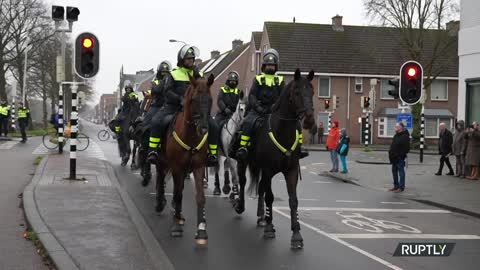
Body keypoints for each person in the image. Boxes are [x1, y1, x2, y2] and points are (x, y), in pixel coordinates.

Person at [147, 45, 219, 167]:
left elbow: (204, 89)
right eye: (188, 59)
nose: (191, 61)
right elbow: (167, 91)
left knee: (214, 126)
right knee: (156, 121)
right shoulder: (173, 74)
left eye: (192, 59)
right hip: (173, 107)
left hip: (193, 110)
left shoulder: (199, 74)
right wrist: (180, 99)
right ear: (181, 60)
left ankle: (212, 154)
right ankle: (153, 151)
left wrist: (197, 74)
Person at [235, 48, 308, 160]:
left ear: (276, 66)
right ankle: (243, 147)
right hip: (258, 111)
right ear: (264, 66)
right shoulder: (258, 79)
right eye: (268, 65)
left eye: (272, 65)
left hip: (275, 110)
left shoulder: (280, 80)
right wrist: (258, 107)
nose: (270, 67)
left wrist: (276, 107)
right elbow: (252, 96)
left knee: (296, 123)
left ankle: (300, 147)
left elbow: (283, 97)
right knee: (248, 123)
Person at [137, 60, 171, 185]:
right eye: (163, 72)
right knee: (146, 127)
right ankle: (146, 155)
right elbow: (156, 90)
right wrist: (165, 81)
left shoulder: (171, 82)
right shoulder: (156, 81)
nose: (165, 74)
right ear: (159, 72)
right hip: (156, 107)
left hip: (169, 108)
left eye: (167, 72)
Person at [388, 122, 410, 193]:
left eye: (397, 127)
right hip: (393, 158)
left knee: (401, 173)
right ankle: (396, 186)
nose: (395, 128)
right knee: (394, 172)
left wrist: (400, 155)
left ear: (401, 128)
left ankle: (401, 187)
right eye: (395, 126)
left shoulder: (405, 136)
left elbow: (407, 148)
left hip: (399, 158)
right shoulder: (396, 135)